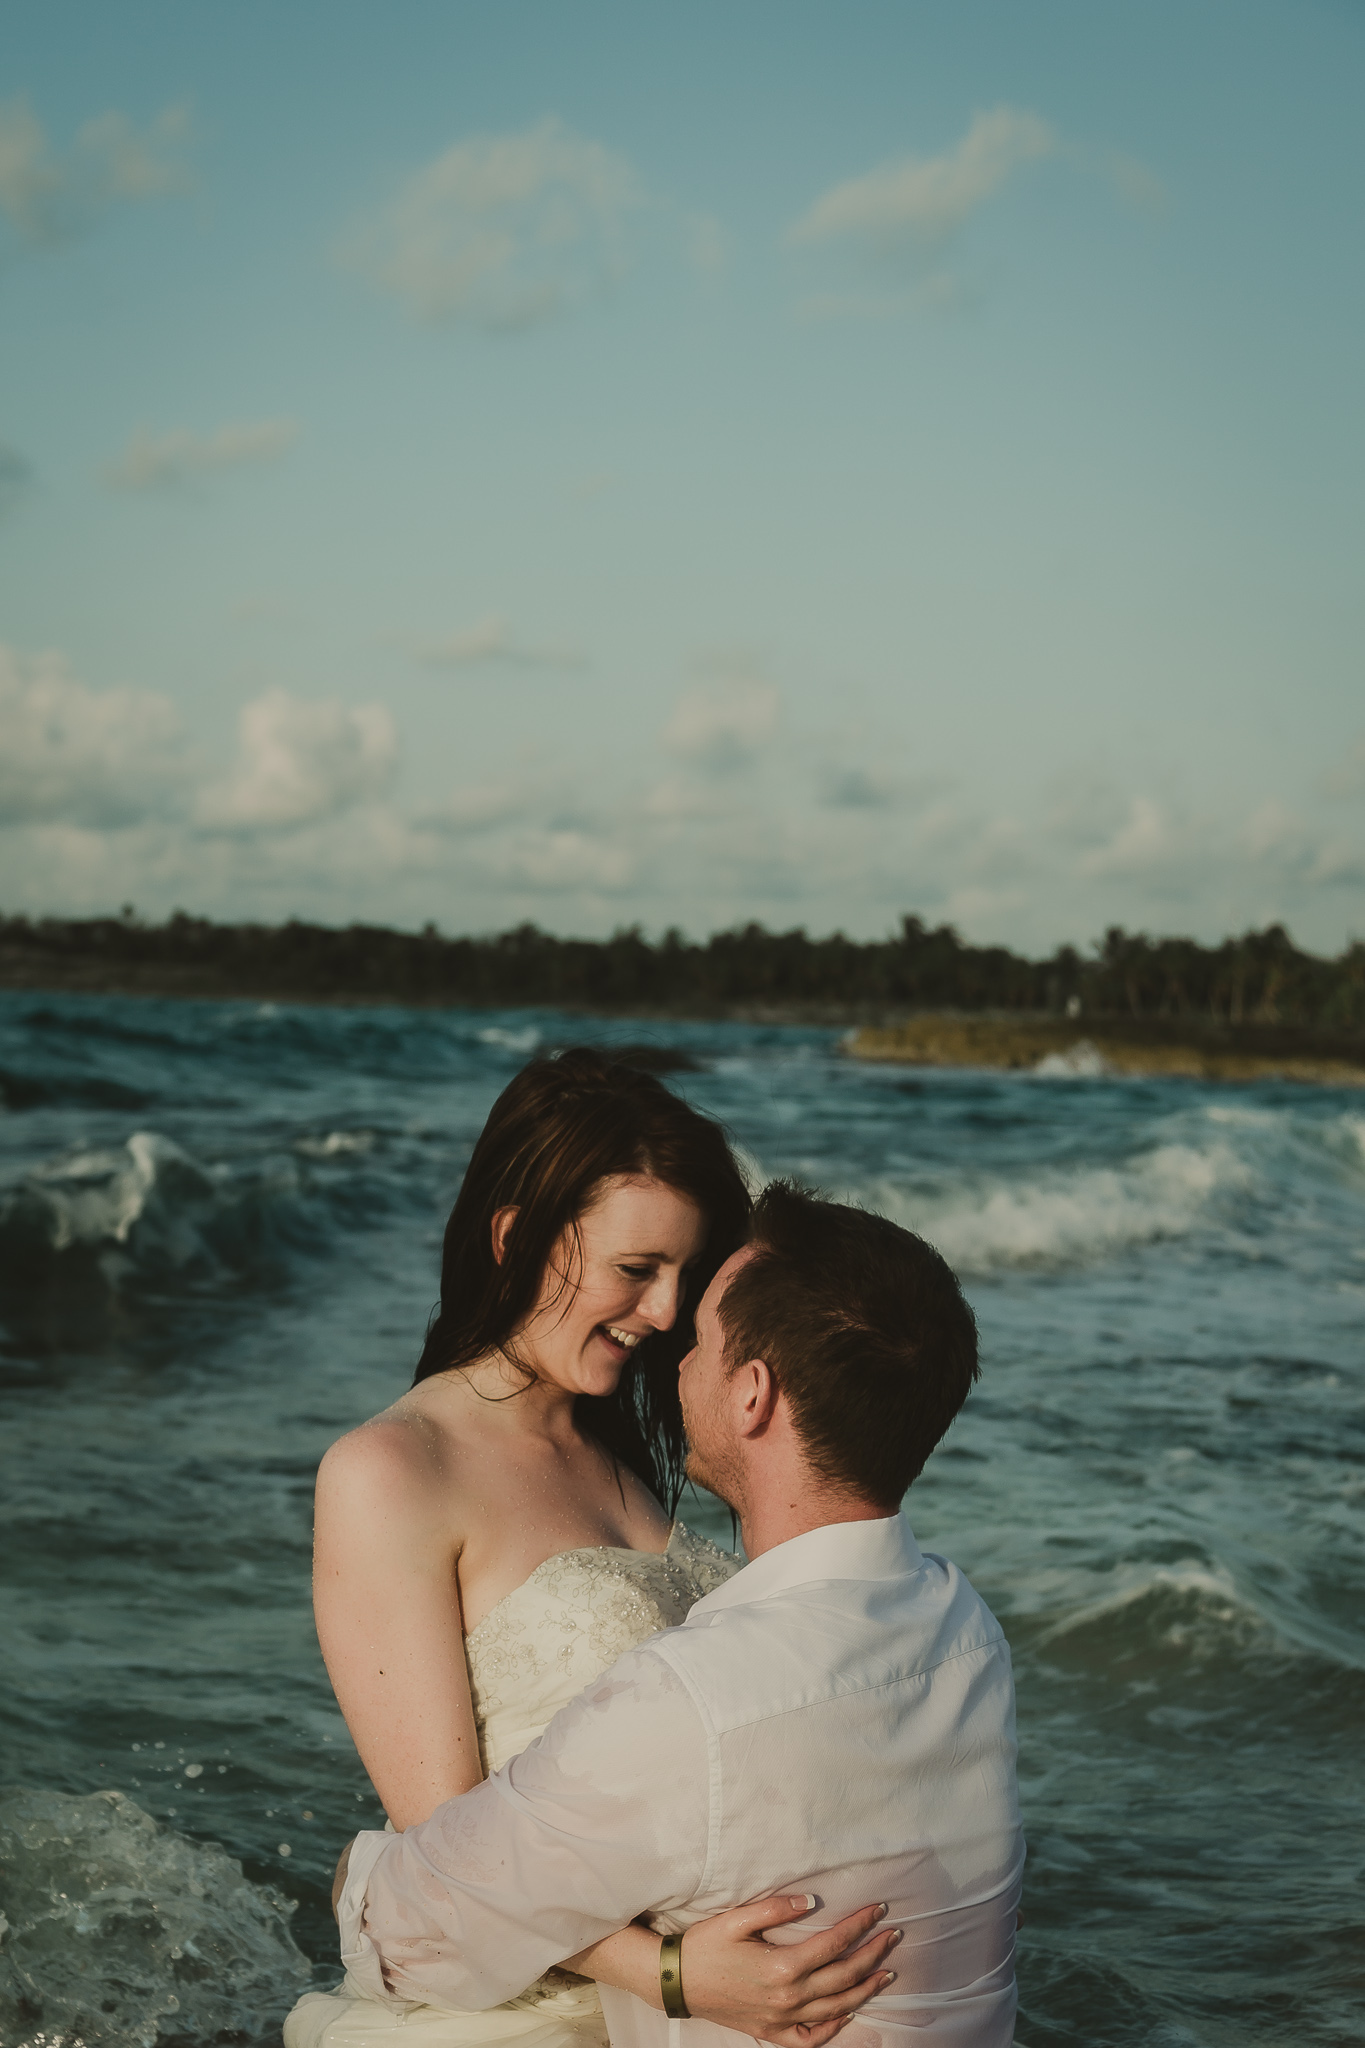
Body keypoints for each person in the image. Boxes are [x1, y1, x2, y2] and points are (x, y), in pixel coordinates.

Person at [286, 1057, 897, 2048]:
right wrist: (673, 1973)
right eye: (634, 1268)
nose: (664, 1312)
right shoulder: (391, 1470)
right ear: (516, 1237)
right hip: (543, 2007)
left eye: (682, 1275)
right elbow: (450, 1845)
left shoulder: (621, 1458)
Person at [335, 1181, 1025, 2048]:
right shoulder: (967, 1631)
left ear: (752, 1396)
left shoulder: (691, 1702)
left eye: (699, 1340)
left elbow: (407, 1930)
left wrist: (354, 1877)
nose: (675, 1356)